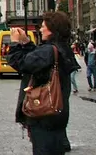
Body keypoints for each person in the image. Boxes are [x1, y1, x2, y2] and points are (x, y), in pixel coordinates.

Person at [7, 12, 76, 155]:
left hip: (44, 113)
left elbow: (21, 63)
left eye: (43, 26)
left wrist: (14, 43)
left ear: (52, 29)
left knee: (44, 149)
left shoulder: (49, 50)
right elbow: (39, 59)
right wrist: (26, 43)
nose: (40, 29)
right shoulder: (61, 48)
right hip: (57, 113)